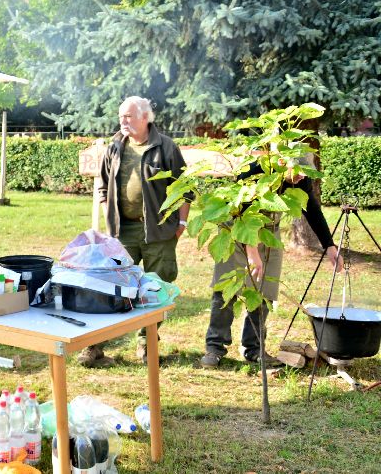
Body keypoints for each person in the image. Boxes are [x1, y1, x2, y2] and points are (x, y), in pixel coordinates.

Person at [78, 96, 190, 367]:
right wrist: (109, 214)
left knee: (156, 289)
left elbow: (185, 188)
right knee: (110, 286)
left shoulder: (166, 147)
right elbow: (103, 185)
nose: (123, 121)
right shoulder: (115, 146)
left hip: (159, 232)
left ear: (145, 117)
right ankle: (95, 346)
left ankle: (146, 345)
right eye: (121, 116)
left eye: (128, 116)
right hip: (123, 231)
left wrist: (181, 225)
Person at [201, 158, 343, 368]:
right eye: (298, 171)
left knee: (265, 289)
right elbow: (242, 210)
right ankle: (215, 347)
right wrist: (251, 250)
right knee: (227, 288)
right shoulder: (256, 170)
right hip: (237, 228)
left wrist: (329, 245)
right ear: (283, 162)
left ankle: (254, 348)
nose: (301, 177)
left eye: (305, 173)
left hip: (268, 232)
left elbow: (311, 209)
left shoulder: (300, 179)